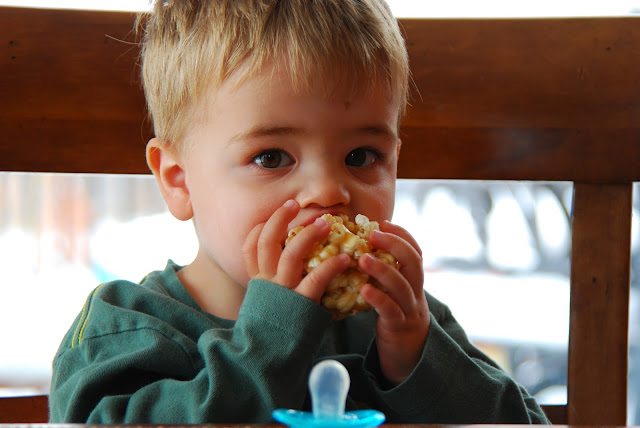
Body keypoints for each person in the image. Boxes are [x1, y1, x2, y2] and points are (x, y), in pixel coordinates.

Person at [49, 0, 550, 424]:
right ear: (180, 181)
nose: (330, 192)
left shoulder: (402, 321)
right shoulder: (127, 332)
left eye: (362, 156)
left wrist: (420, 364)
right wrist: (268, 343)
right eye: (271, 158)